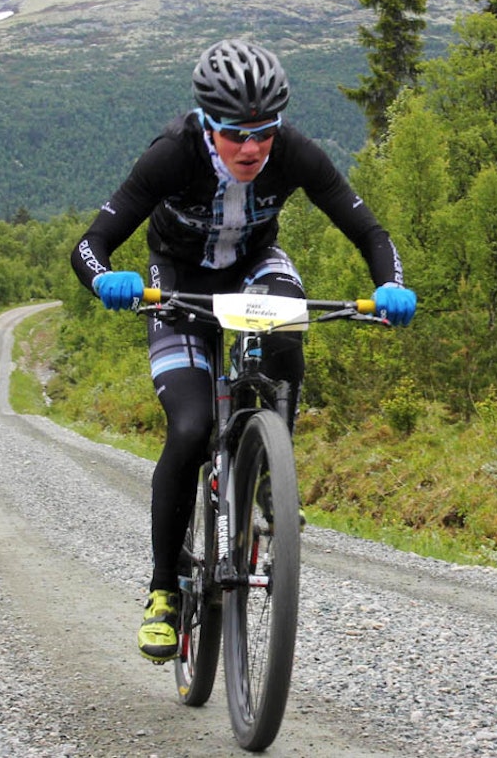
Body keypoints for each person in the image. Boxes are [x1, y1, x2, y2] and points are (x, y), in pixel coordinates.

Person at [69, 38, 416, 663]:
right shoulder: (172, 156)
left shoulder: (295, 152)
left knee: (289, 324)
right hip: (177, 282)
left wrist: (390, 283)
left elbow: (367, 228)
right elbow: (91, 244)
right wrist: (106, 279)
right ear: (208, 123)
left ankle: (268, 472)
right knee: (192, 426)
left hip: (256, 268)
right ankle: (163, 591)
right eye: (235, 134)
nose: (253, 148)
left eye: (264, 132)